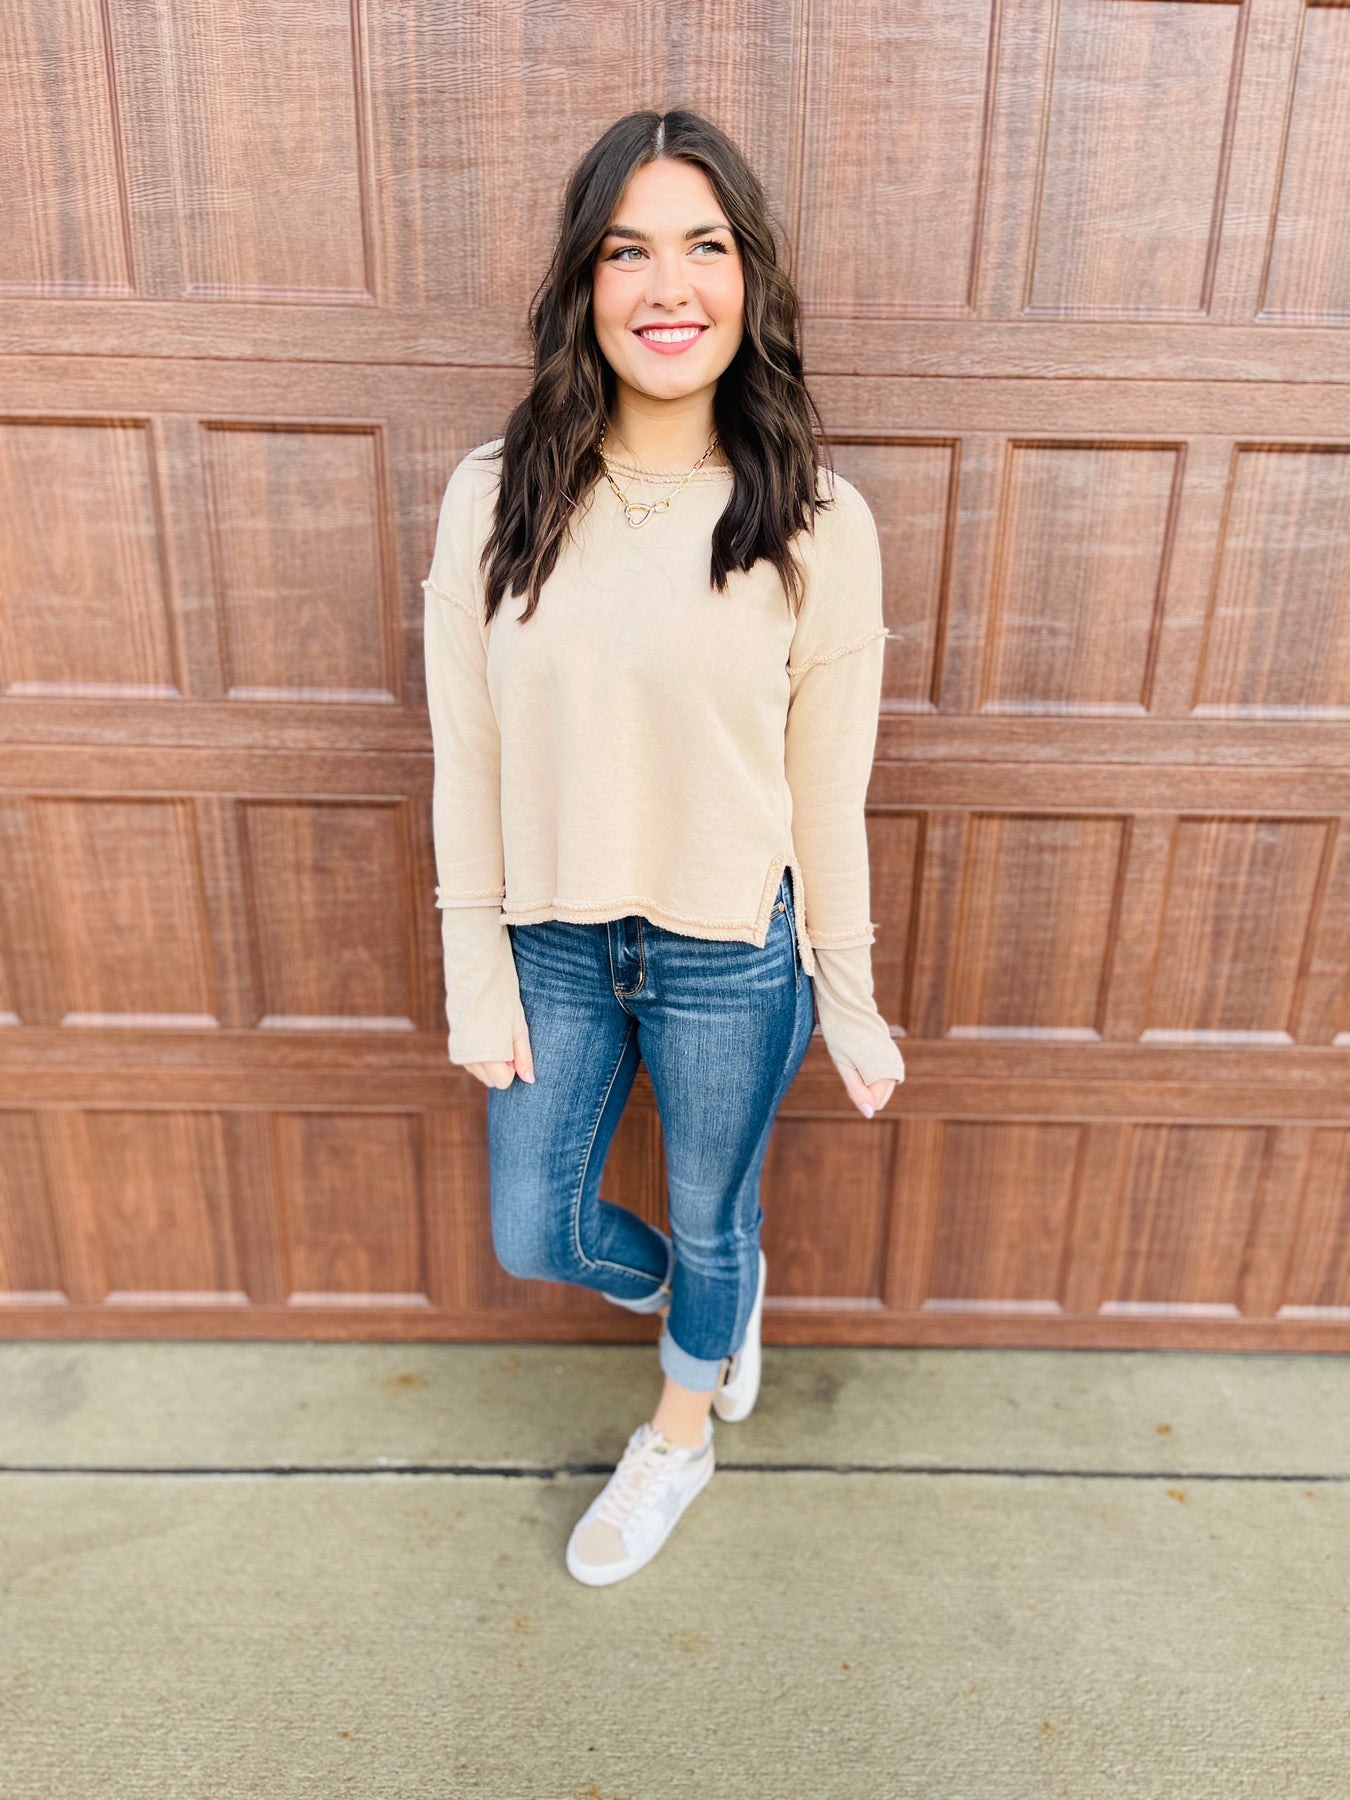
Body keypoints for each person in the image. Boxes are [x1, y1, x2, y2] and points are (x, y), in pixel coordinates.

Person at [422, 109, 904, 1587]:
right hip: (553, 945)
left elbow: (826, 790)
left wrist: (847, 995)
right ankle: (716, 1300)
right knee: (538, 1230)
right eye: (628, 251)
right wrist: (474, 973)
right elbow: (468, 754)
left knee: (709, 1212)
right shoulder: (494, 495)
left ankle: (679, 1430)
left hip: (728, 950)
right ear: (585, 283)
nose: (668, 286)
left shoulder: (815, 520)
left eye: (704, 246)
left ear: (748, 278)